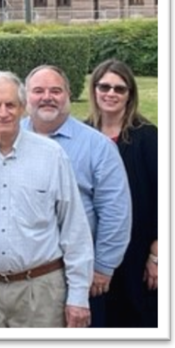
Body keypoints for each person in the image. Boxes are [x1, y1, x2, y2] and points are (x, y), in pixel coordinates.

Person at [0, 71, 94, 328]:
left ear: (23, 108)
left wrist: (79, 296)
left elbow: (74, 229)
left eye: (11, 104)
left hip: (41, 291)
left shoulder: (51, 155)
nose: (3, 112)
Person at [23, 64, 132, 328]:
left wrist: (103, 267)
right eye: (38, 91)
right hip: (19, 278)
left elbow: (115, 211)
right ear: (26, 97)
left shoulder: (98, 147)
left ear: (68, 95)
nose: (47, 97)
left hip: (76, 274)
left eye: (55, 91)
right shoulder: (8, 139)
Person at [86, 59, 157, 328]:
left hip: (138, 254)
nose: (111, 93)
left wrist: (157, 254)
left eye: (119, 88)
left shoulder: (148, 138)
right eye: (104, 86)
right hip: (91, 253)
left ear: (130, 95)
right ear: (94, 90)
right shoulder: (81, 135)